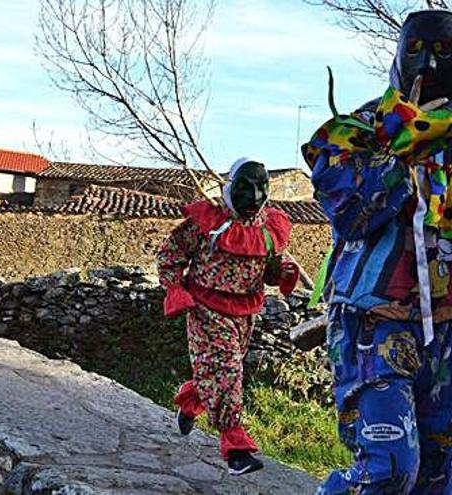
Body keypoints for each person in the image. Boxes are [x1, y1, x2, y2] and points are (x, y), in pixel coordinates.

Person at [305, 9, 452, 493]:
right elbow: (351, 214)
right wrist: (403, 146)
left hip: (447, 333)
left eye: (445, 52)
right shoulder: (358, 131)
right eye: (417, 50)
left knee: (440, 476)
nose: (430, 65)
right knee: (388, 471)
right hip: (376, 322)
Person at [156, 158, 298, 476]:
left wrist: (283, 272)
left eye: (260, 188)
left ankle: (192, 400)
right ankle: (235, 447)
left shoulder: (269, 226)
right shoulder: (207, 222)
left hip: (246, 312)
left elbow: (271, 269)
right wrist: (175, 288)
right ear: (231, 187)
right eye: (246, 188)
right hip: (206, 308)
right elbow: (170, 255)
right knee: (226, 369)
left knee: (220, 369)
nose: (254, 196)